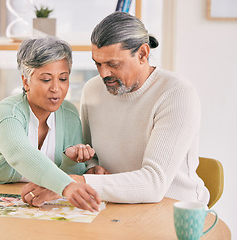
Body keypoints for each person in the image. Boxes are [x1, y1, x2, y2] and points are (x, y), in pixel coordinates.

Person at [22, 12, 210, 205]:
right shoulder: (93, 89)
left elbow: (154, 184)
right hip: (112, 205)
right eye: (98, 63)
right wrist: (92, 168)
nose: (104, 74)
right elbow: (90, 153)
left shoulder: (176, 94)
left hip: (174, 207)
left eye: (113, 64)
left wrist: (70, 183)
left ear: (143, 54)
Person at [0, 36, 101, 212]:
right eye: (46, 80)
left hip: (42, 204)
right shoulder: (7, 113)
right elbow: (21, 153)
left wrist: (71, 160)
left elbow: (74, 173)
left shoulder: (69, 113)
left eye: (63, 79)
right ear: (26, 82)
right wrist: (67, 185)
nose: (56, 88)